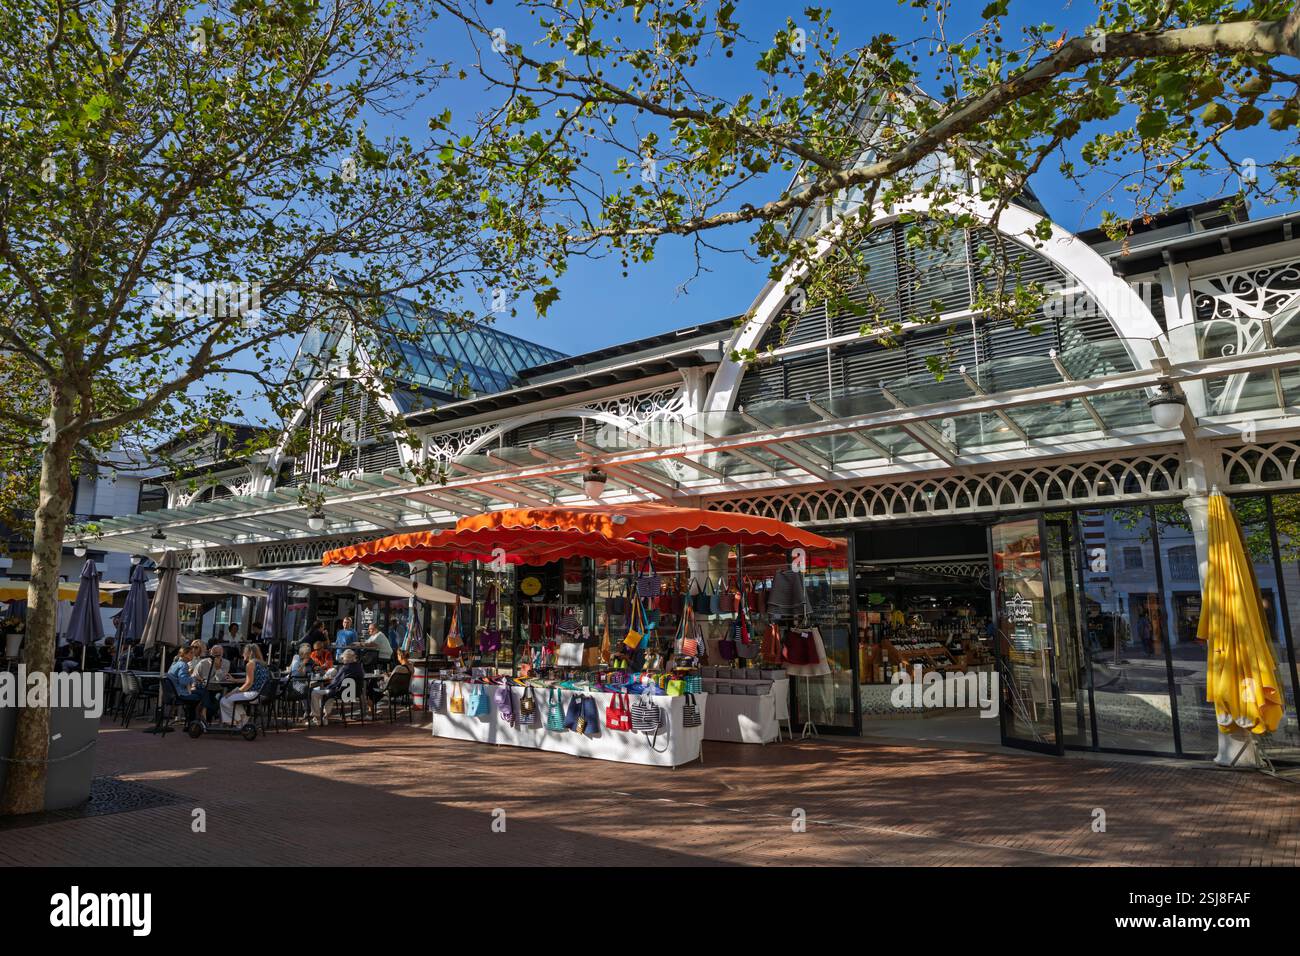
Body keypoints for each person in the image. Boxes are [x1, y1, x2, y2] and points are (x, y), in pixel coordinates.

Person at [310, 648, 365, 726]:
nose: (342, 659)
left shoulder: (344, 668)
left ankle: (318, 718)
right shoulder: (359, 668)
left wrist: (327, 687)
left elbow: (335, 683)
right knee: (330, 693)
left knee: (316, 693)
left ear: (345, 658)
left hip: (340, 693)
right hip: (356, 693)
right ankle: (325, 717)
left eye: (343, 658)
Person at [220, 644, 271, 726]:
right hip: (263, 694)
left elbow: (249, 683)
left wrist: (235, 692)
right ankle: (243, 720)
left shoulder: (250, 664)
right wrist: (235, 680)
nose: (243, 654)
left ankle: (239, 722)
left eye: (244, 652)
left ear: (249, 653)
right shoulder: (262, 664)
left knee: (224, 700)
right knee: (232, 701)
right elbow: (252, 678)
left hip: (254, 694)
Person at [192, 644, 231, 722]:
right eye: (214, 653)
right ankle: (204, 717)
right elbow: (194, 676)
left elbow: (219, 679)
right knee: (205, 697)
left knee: (216, 703)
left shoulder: (226, 663)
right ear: (210, 653)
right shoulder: (203, 663)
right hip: (204, 688)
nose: (216, 656)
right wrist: (200, 680)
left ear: (222, 654)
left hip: (217, 688)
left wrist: (217, 668)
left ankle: (205, 717)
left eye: (219, 654)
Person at [368, 648, 412, 715]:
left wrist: (385, 676)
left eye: (397, 655)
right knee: (376, 689)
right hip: (403, 690)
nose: (397, 657)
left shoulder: (398, 668)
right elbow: (396, 678)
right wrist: (391, 674)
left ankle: (370, 710)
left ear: (400, 656)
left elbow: (389, 681)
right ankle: (372, 707)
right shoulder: (411, 667)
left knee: (371, 685)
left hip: (392, 690)